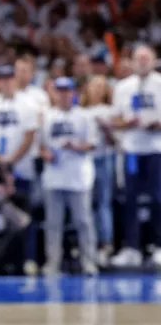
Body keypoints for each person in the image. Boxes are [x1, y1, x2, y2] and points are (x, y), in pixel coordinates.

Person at [0, 62, 39, 275]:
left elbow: (30, 136)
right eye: (1, 79)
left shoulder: (28, 104)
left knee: (24, 217)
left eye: (9, 78)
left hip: (21, 169)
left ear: (15, 80)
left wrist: (12, 159)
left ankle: (28, 259)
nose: (5, 83)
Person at [40, 77, 97, 276]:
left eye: (67, 91)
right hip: (54, 177)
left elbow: (92, 144)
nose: (64, 95)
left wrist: (75, 146)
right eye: (60, 91)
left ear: (73, 93)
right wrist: (46, 154)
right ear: (54, 93)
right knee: (53, 224)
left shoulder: (84, 116)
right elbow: (41, 145)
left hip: (78, 177)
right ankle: (52, 263)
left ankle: (89, 263)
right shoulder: (47, 116)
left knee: (83, 221)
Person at [111, 45, 161, 269]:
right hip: (131, 149)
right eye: (138, 59)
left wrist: (156, 125)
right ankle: (132, 248)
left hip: (156, 149)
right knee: (130, 198)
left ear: (154, 61)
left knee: (158, 198)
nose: (142, 62)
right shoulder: (122, 87)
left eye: (146, 59)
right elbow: (115, 120)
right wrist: (127, 123)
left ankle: (158, 246)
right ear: (131, 62)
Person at [80, 75, 116, 265]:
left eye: (102, 86)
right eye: (94, 86)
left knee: (104, 203)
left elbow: (115, 142)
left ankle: (106, 244)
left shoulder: (110, 111)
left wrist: (107, 129)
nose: (97, 90)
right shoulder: (81, 111)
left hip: (104, 159)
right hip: (84, 161)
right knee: (87, 205)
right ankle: (89, 244)